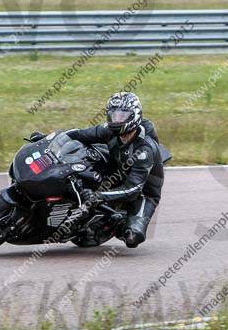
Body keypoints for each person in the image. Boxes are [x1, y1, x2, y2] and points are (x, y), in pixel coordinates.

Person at [32, 92, 165, 248]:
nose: (117, 120)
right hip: (116, 168)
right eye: (113, 116)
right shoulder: (109, 131)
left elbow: (132, 190)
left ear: (134, 116)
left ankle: (116, 223)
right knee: (83, 154)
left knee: (133, 237)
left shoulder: (144, 150)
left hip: (142, 192)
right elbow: (79, 134)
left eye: (122, 116)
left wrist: (98, 196)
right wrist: (48, 138)